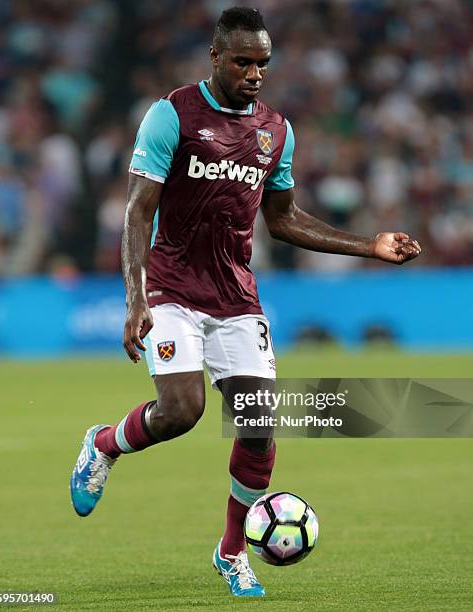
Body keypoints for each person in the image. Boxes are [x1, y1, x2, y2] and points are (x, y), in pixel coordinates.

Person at [70, 6, 421, 598]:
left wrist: (370, 243)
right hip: (171, 286)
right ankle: (103, 444)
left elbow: (282, 221)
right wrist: (135, 299)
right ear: (215, 56)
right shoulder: (171, 115)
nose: (255, 73)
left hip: (235, 295)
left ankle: (232, 552)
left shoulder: (276, 131)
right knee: (183, 410)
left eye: (263, 63)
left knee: (258, 428)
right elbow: (138, 211)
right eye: (243, 61)